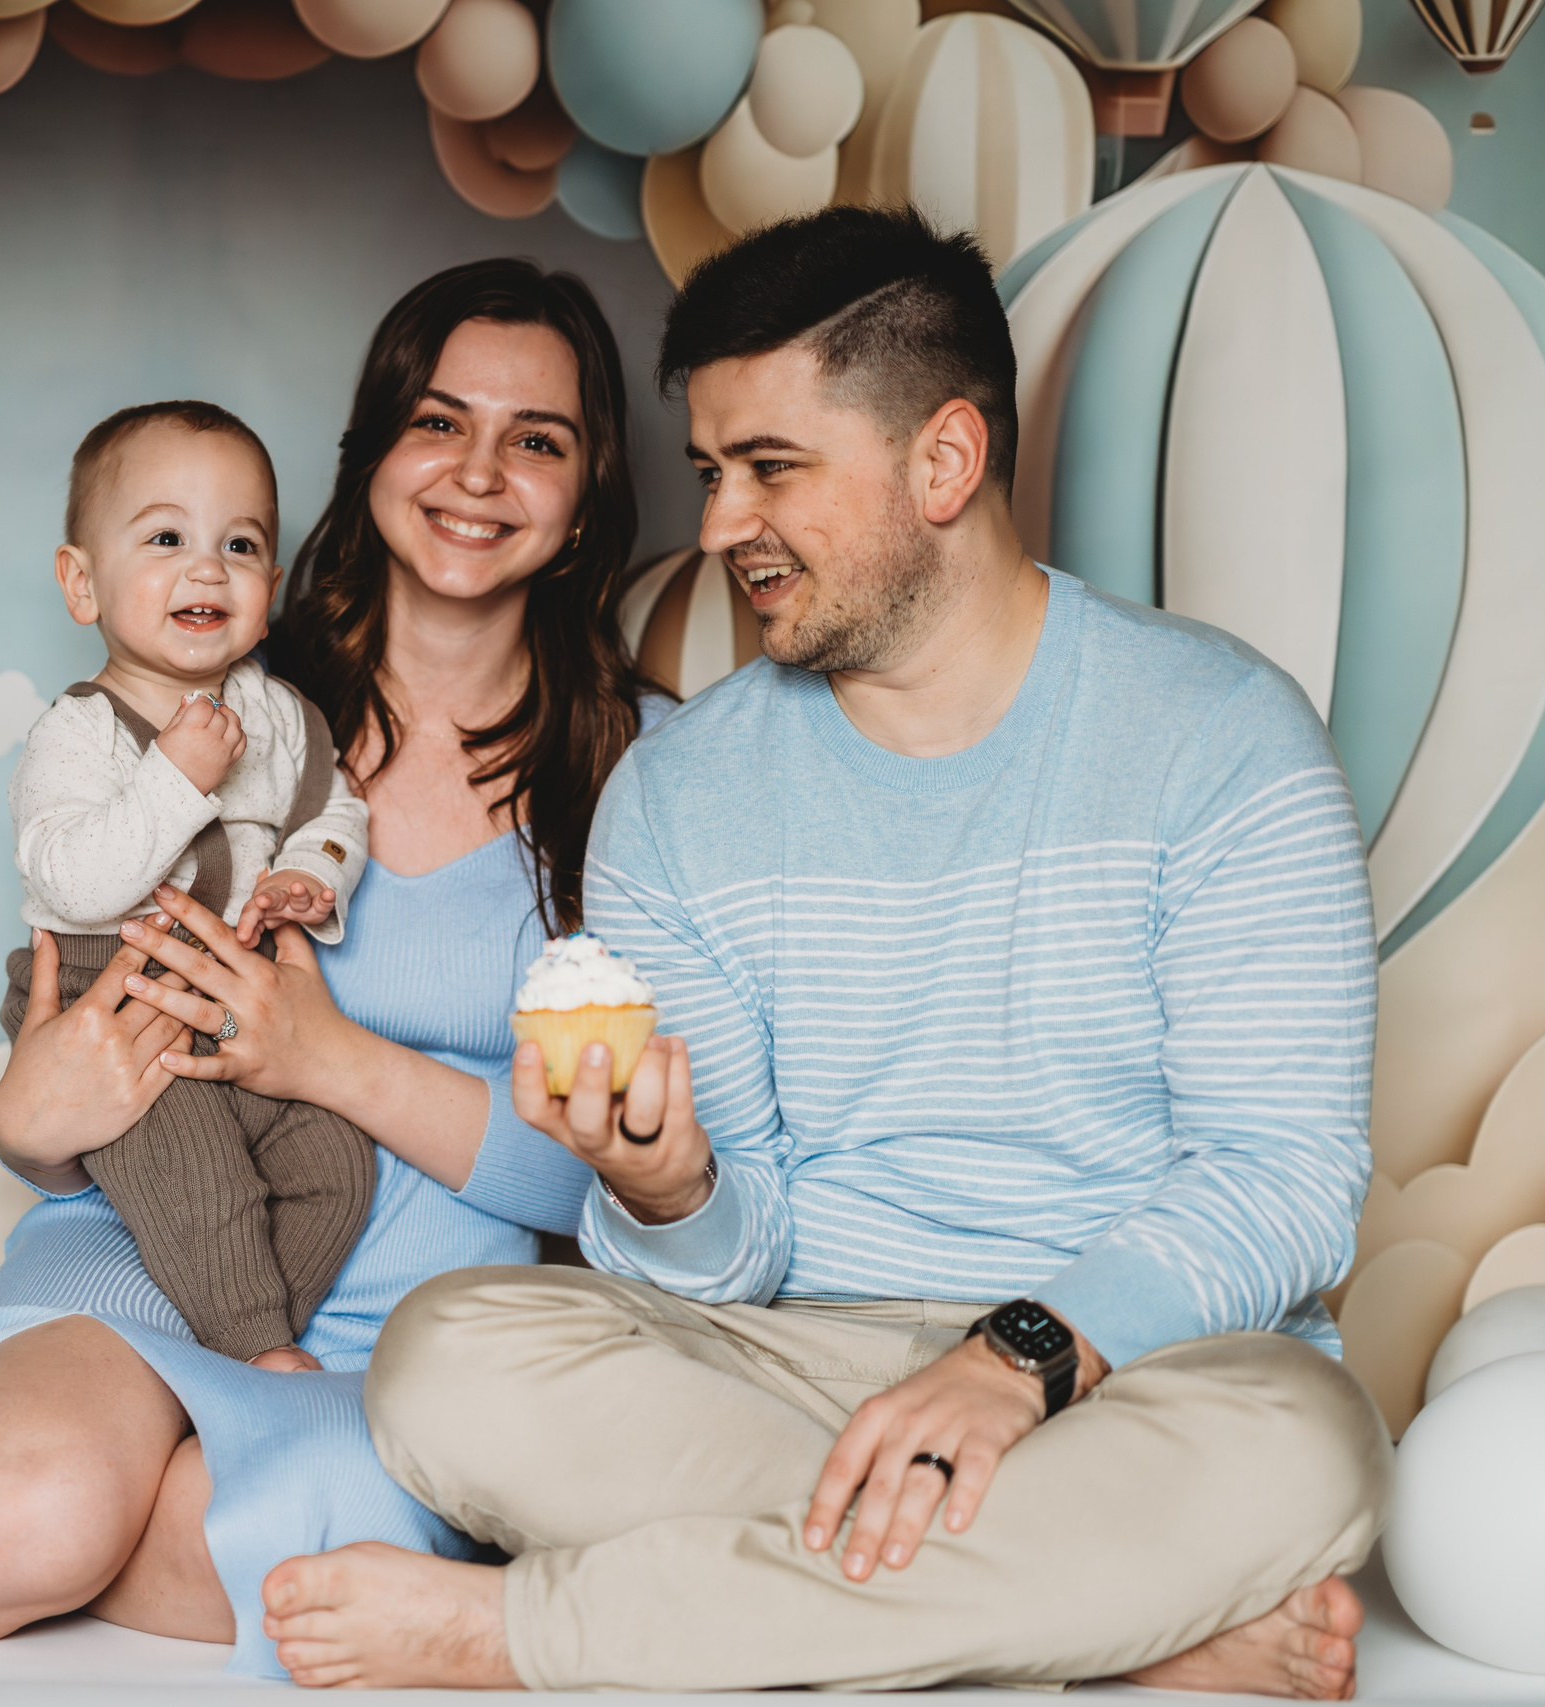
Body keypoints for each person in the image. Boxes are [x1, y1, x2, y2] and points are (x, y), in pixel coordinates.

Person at [258, 206, 1392, 1699]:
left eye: (771, 469)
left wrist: (1014, 1359)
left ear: (946, 459)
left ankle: (534, 1635)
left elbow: (1287, 1176)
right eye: (714, 471)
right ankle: (1111, 1620)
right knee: (450, 1357)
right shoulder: (678, 792)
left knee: (1307, 1445)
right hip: (791, 1363)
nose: (722, 524)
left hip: (1125, 1369)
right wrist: (669, 1189)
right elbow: (743, 1249)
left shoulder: (1225, 739)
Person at [0, 258, 664, 1676]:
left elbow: (624, 1173)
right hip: (162, 1235)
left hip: (423, 1310)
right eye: (436, 422)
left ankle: (100, 1489)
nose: (477, 472)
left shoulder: (643, 771)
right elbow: (82, 1008)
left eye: (536, 439)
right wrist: (26, 1123)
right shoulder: (226, 704)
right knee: (0, 1519)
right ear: (373, 452)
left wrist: (329, 1057)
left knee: (274, 1554)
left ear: (586, 500)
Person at [2, 399, 374, 1371]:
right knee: (201, 1179)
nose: (207, 568)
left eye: (240, 545)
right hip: (110, 989)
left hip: (233, 986)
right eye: (166, 536)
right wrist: (176, 779)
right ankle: (254, 1350)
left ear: (271, 586)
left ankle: (220, 1345)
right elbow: (71, 878)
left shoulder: (277, 711)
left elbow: (334, 807)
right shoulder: (77, 730)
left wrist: (306, 875)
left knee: (335, 1166)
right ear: (82, 584)